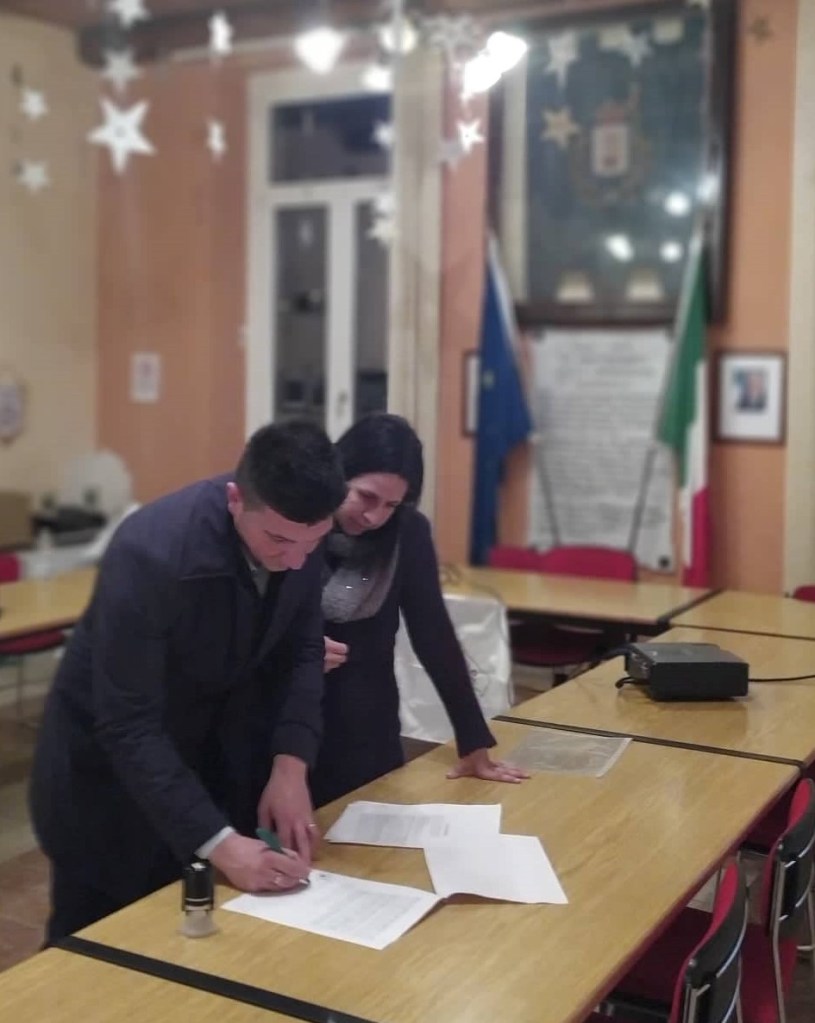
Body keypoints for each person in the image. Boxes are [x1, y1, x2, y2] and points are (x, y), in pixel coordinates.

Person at [30, 421, 347, 945]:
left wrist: (291, 764)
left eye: (313, 544)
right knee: (92, 949)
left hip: (199, 759)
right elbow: (128, 724)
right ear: (234, 500)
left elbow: (304, 650)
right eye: (279, 540)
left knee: (188, 944)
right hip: (104, 786)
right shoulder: (150, 554)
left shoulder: (298, 535)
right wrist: (220, 842)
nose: (296, 560)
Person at [310, 413, 528, 807]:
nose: (375, 516)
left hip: (367, 725)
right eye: (366, 497)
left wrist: (472, 739)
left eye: (392, 504)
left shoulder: (407, 532)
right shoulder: (297, 523)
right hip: (286, 724)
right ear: (339, 473)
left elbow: (434, 634)